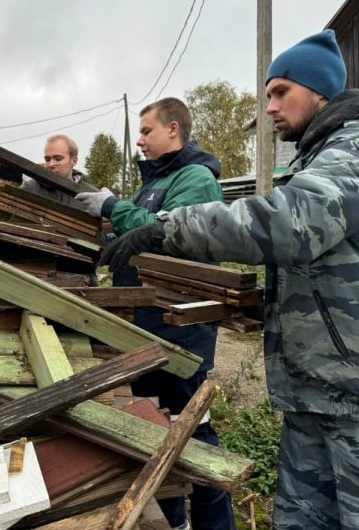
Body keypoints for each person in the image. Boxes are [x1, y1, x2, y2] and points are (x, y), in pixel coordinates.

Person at [100, 30, 359, 530]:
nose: (270, 107)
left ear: (320, 92)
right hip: (321, 388)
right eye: (266, 95)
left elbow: (292, 224)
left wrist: (168, 229)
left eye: (281, 91)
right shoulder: (320, 156)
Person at [76, 97, 235, 530]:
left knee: (193, 437)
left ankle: (215, 525)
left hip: (179, 333)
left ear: (173, 129)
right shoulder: (153, 182)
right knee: (151, 429)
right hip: (144, 329)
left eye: (146, 131)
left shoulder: (197, 179)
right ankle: (173, 522)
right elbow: (139, 225)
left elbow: (167, 233)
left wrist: (114, 208)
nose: (140, 141)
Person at [21, 134, 92, 209]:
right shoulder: (31, 188)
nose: (51, 164)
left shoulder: (92, 195)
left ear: (74, 161)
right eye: (47, 160)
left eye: (58, 159)